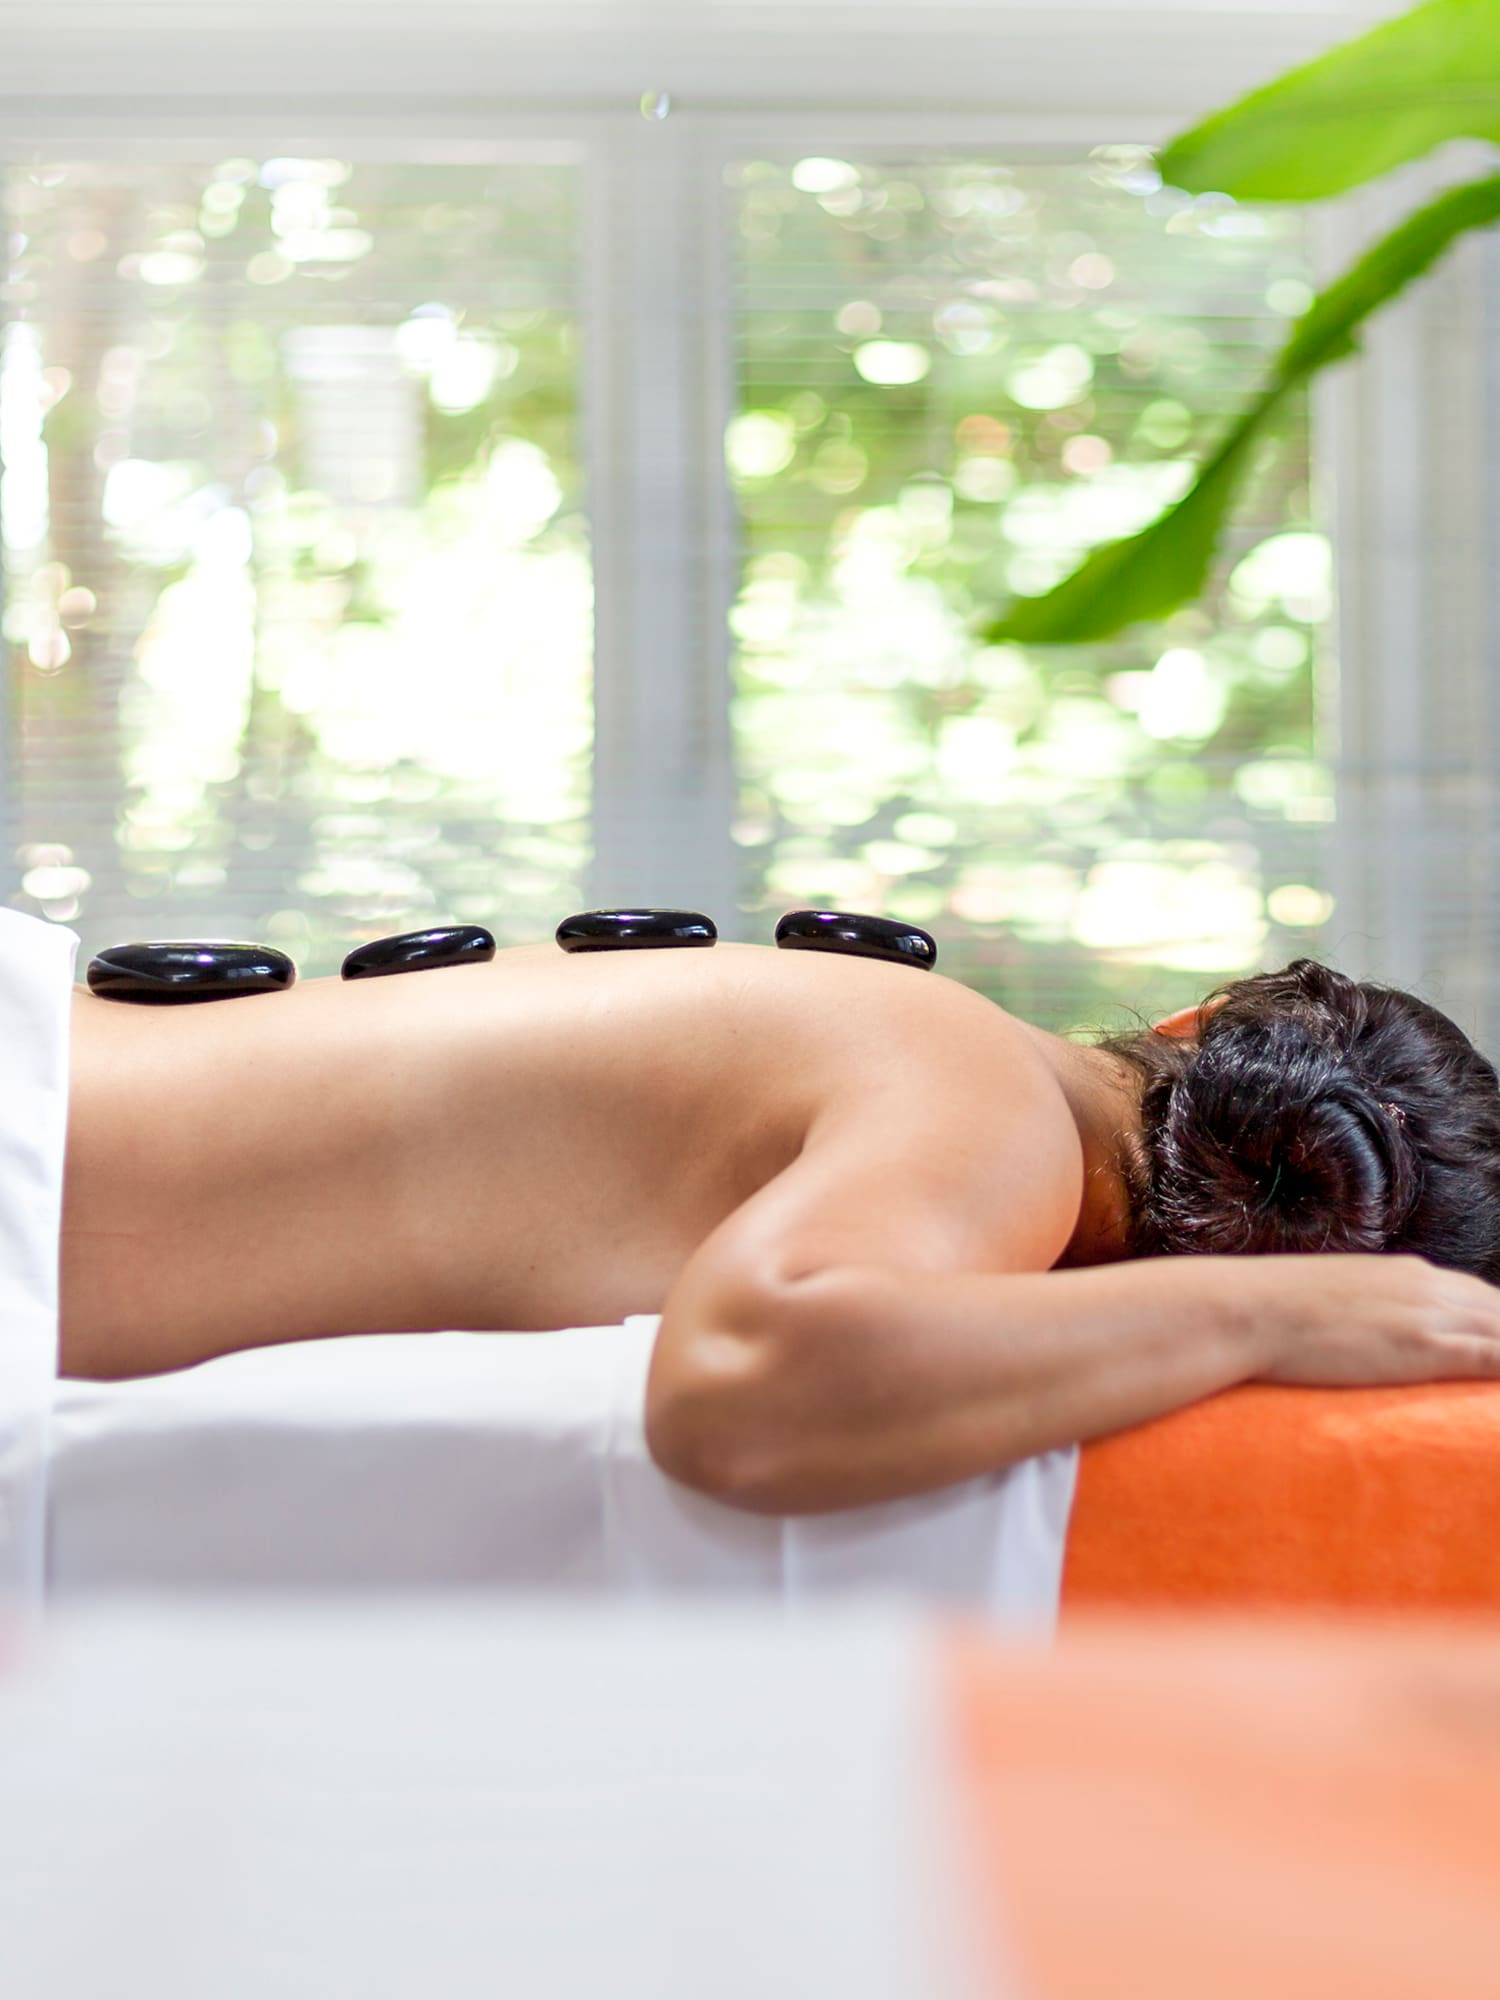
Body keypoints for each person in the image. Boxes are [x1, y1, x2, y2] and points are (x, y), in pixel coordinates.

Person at [58, 940, 1500, 1513]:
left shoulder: (951, 1053)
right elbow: (745, 1386)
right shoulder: (995, 1117)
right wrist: (1285, 1314)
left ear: (1192, 1023)